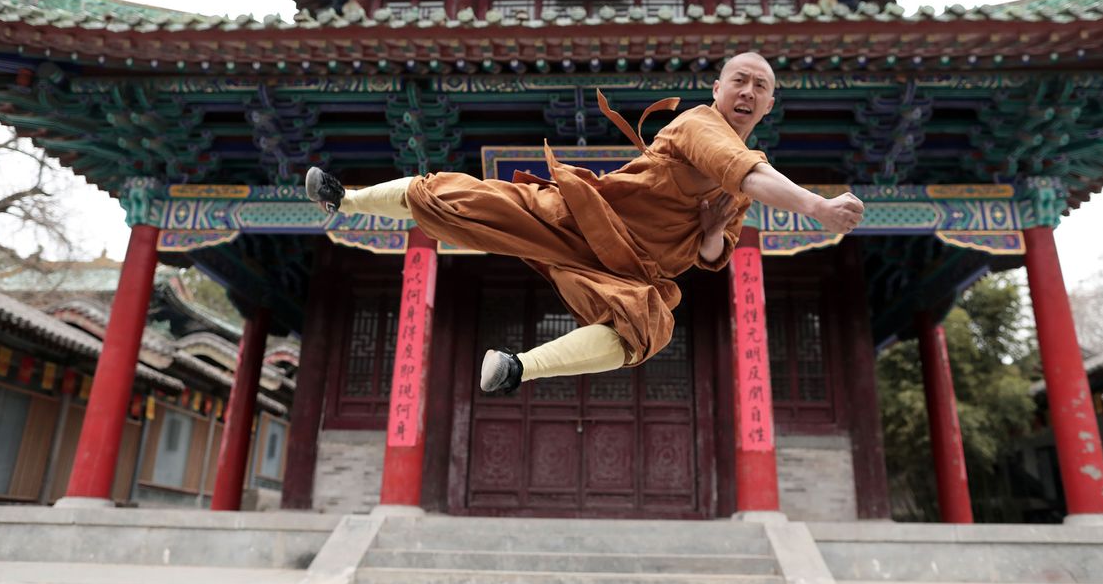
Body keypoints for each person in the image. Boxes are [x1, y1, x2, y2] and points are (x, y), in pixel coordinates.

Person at [306, 52, 864, 394]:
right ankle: (346, 198)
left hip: (635, 271)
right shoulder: (700, 125)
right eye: (738, 80)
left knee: (648, 328)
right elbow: (746, 171)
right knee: (470, 199)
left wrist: (713, 229)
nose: (748, 92)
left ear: (769, 105)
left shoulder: (745, 178)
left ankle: (516, 368)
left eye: (760, 87)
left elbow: (713, 259)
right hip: (587, 221)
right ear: (716, 91)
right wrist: (816, 207)